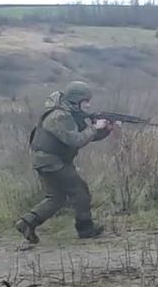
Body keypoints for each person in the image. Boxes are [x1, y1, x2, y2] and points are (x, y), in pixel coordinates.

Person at [15, 80, 118, 244]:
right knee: (80, 190)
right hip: (53, 162)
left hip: (49, 162)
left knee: (56, 198)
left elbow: (86, 137)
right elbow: (76, 140)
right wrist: (94, 127)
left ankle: (27, 223)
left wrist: (105, 130)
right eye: (86, 101)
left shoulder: (67, 115)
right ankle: (85, 228)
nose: (89, 105)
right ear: (76, 100)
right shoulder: (60, 116)